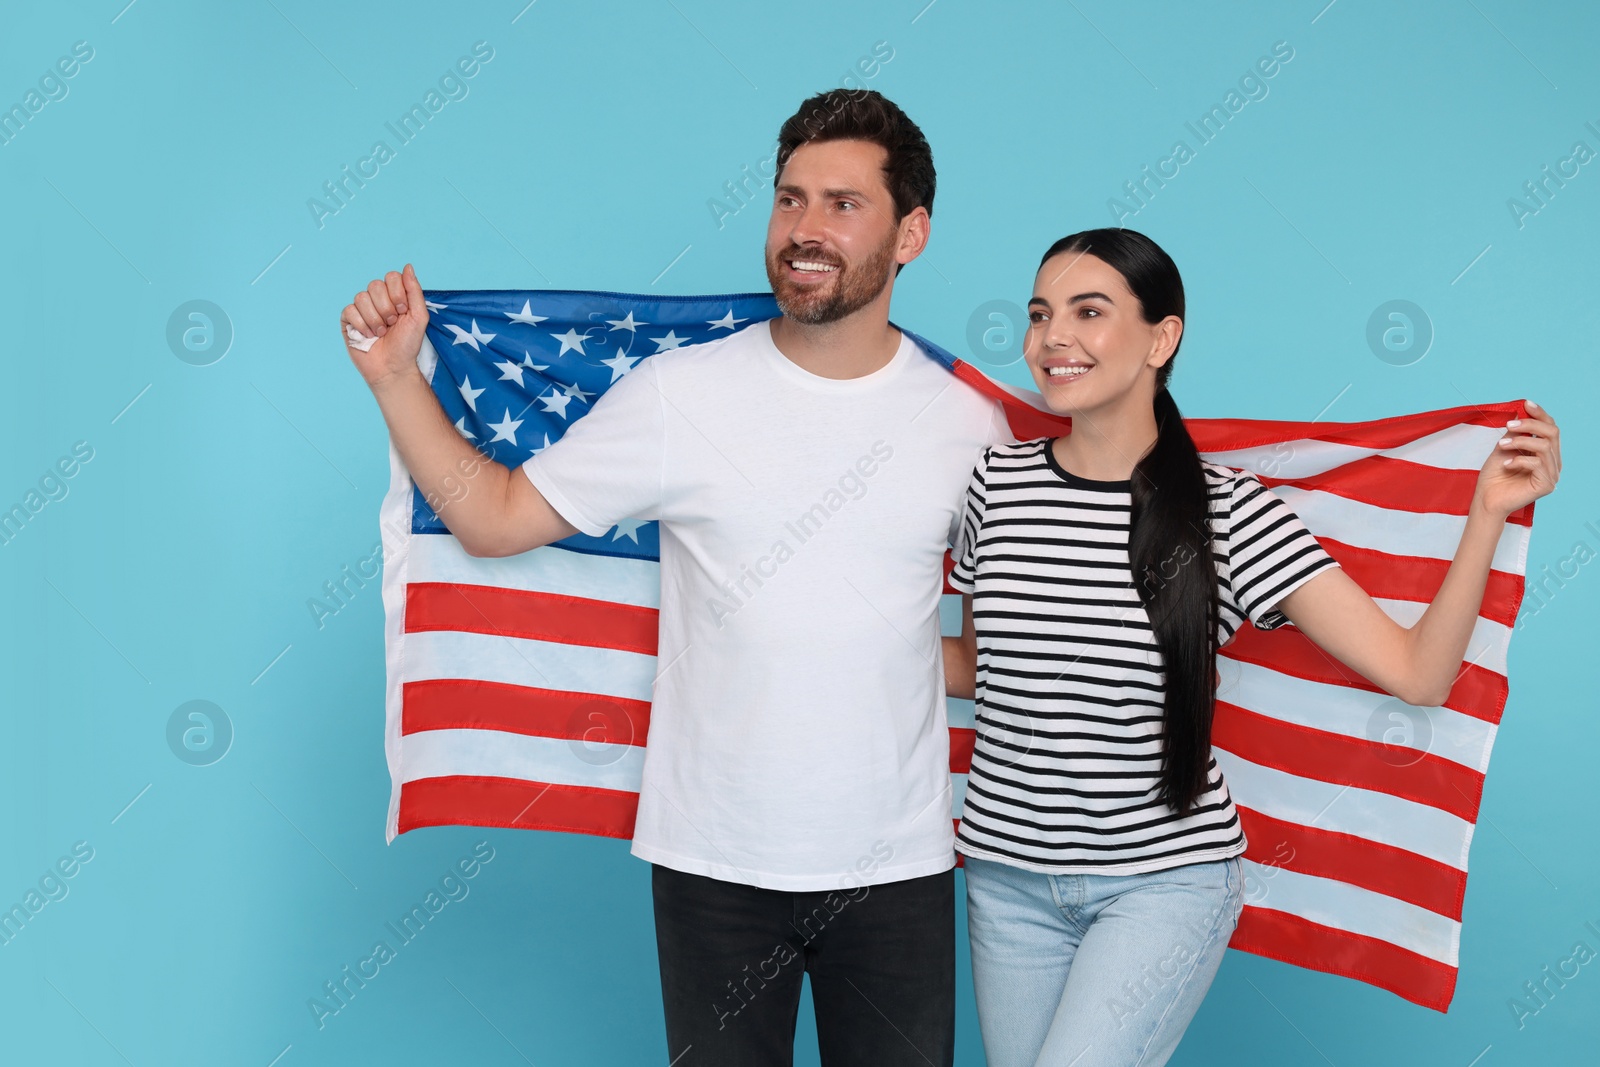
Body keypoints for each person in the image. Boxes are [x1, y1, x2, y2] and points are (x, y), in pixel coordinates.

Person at [340, 89, 1008, 1066]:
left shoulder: (969, 427)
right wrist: (396, 376)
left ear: (911, 232)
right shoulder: (679, 395)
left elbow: (985, 658)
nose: (804, 230)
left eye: (841, 203)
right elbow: (494, 518)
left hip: (895, 868)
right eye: (788, 200)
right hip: (711, 867)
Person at [942, 228, 1560, 1067]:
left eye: (1090, 311)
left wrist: (1485, 513)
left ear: (1163, 337)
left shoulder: (1232, 513)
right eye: (1040, 313)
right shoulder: (995, 483)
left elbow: (1419, 673)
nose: (1054, 337)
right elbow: (984, 664)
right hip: (1006, 879)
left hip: (1163, 885)